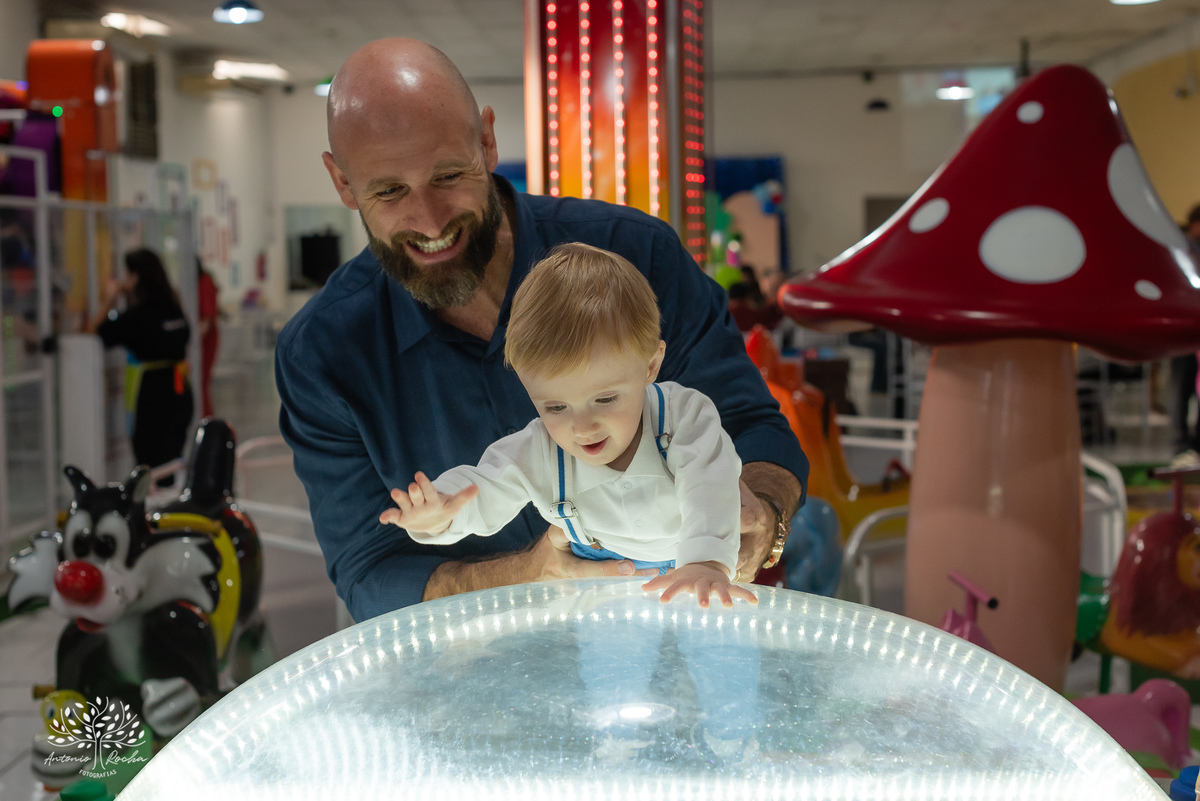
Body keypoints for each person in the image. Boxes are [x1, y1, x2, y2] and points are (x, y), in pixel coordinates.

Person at [275, 38, 808, 622]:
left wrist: (757, 518)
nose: (429, 220)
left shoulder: (638, 254)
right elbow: (371, 572)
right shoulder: (322, 352)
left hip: (679, 612)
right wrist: (523, 577)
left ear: (487, 141)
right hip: (480, 672)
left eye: (449, 174)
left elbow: (752, 426)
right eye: (389, 190)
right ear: (343, 183)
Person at [382, 243, 757, 608]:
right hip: (601, 579)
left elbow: (708, 486)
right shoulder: (539, 449)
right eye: (556, 406)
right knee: (607, 670)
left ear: (650, 366)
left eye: (606, 399)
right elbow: (484, 485)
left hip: (695, 562)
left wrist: (706, 562)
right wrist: (441, 512)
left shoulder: (683, 417)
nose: (582, 427)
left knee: (712, 655)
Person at [86, 249, 194, 473]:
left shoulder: (139, 317)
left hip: (154, 398)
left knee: (152, 465)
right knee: (172, 460)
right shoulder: (172, 307)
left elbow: (91, 331)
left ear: (135, 278)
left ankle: (157, 506)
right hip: (181, 392)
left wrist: (111, 297)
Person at [197, 259, 220, 419]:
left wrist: (192, 340)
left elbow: (208, 317)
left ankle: (205, 419)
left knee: (201, 382)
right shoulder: (196, 282)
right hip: (200, 338)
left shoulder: (204, 281)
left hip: (205, 340)